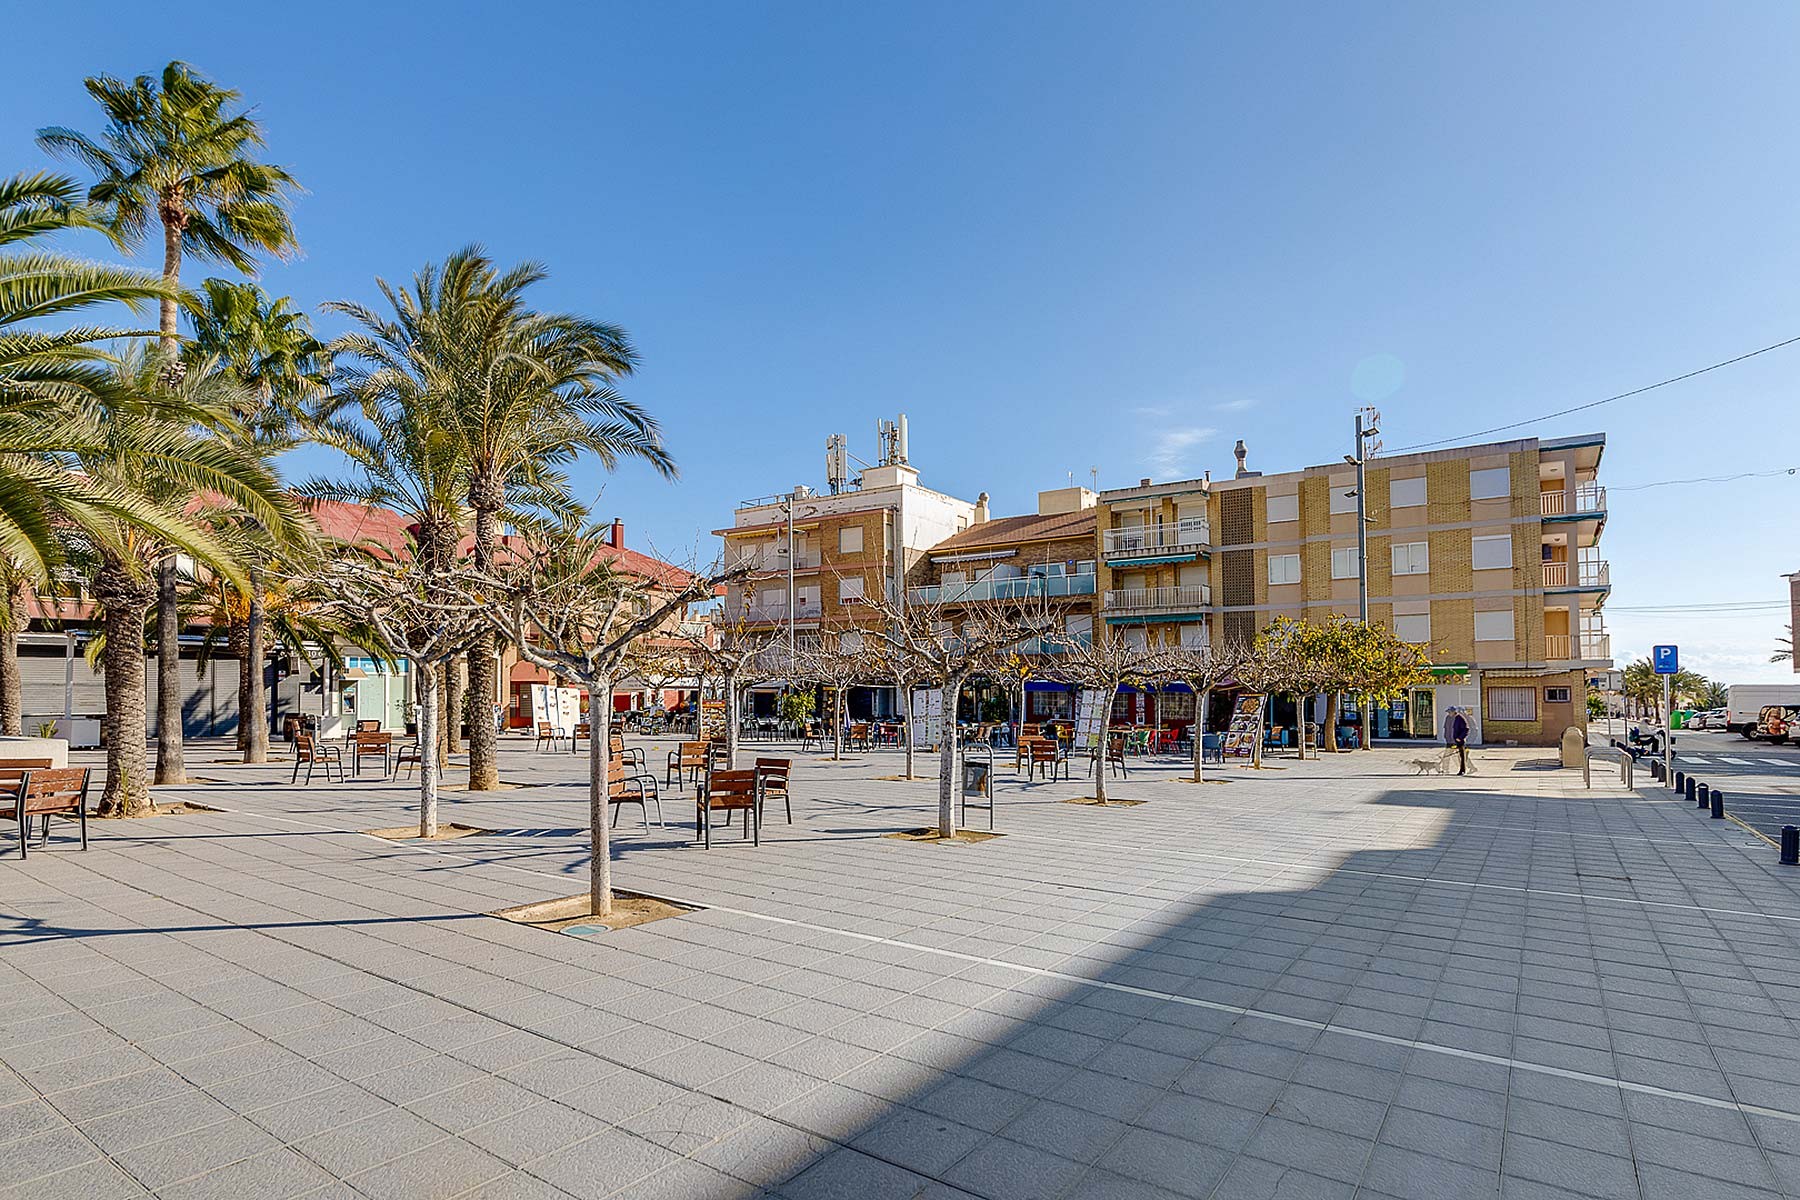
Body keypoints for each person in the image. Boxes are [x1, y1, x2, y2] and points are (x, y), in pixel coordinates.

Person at [1450, 708, 1471, 775]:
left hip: (1460, 741)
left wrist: (1460, 738)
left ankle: (1462, 771)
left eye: (1450, 712)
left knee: (1462, 756)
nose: (1449, 714)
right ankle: (1462, 770)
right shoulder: (1456, 718)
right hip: (1457, 740)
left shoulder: (1460, 718)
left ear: (1454, 712)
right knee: (1460, 756)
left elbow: (1466, 729)